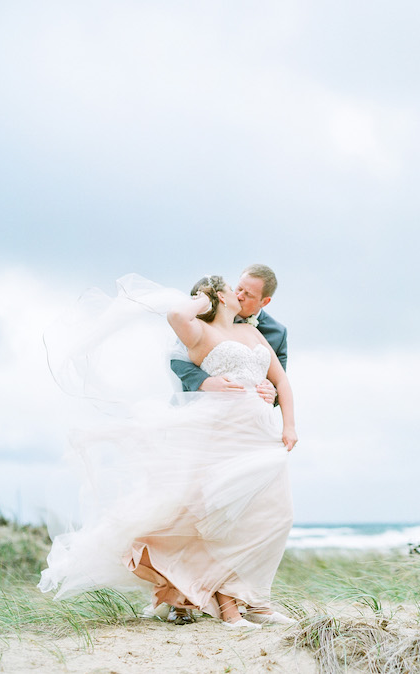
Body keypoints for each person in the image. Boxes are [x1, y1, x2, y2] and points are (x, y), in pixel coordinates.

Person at [38, 273, 297, 629]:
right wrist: (204, 301)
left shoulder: (258, 332)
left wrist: (286, 420)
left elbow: (280, 379)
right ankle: (229, 606)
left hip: (260, 433)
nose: (239, 293)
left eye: (247, 292)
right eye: (234, 289)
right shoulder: (199, 331)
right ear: (221, 298)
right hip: (221, 433)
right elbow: (177, 326)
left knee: (275, 515)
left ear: (263, 301)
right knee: (223, 517)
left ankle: (256, 600)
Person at [171, 264, 287, 402]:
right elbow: (177, 358)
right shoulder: (208, 313)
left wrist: (273, 391)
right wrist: (205, 382)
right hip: (201, 404)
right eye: (238, 288)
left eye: (248, 294)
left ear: (265, 302)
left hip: (249, 415)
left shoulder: (277, 333)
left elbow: (280, 382)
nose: (239, 296)